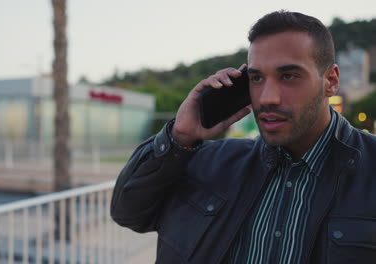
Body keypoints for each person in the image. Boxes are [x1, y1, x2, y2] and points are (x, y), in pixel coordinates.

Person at [111, 10, 376, 264]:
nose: (268, 98)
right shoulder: (209, 162)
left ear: (331, 80)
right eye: (256, 78)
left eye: (289, 76)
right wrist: (179, 137)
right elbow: (128, 212)